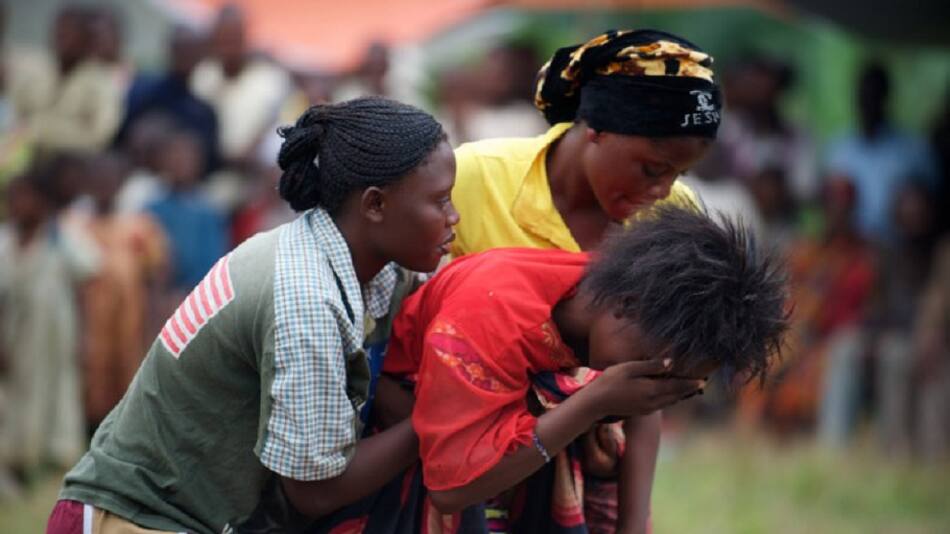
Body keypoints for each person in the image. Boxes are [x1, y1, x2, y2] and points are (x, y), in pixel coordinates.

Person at [47, 97, 457, 534]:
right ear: (374, 205)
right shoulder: (307, 299)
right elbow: (313, 488)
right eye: (441, 201)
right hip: (136, 517)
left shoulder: (358, 266)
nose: (454, 217)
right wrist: (435, 425)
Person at [317, 207, 786, 533]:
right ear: (625, 308)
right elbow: (451, 488)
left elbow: (640, 406)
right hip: (416, 468)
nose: (657, 388)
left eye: (678, 386)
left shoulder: (612, 302)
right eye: (660, 373)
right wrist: (591, 404)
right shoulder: (493, 309)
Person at [446, 29, 721, 532]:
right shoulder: (472, 179)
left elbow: (646, 384)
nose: (662, 192)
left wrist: (632, 524)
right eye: (651, 168)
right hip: (468, 459)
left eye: (678, 174)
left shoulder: (674, 217)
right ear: (595, 128)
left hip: (594, 477)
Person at [0, 164, 99, 488]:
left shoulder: (60, 237)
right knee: (13, 397)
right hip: (15, 333)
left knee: (55, 391)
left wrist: (85, 337)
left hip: (54, 334)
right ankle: (16, 459)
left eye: (25, 198)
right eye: (12, 199)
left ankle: (52, 458)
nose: (18, 206)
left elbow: (86, 276)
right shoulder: (5, 241)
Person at [63, 152, 168, 437]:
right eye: (97, 180)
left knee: (126, 381)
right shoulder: (73, 225)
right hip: (85, 323)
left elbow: (155, 280)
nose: (104, 186)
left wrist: (154, 329)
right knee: (86, 384)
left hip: (129, 323)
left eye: (110, 180)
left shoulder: (140, 227)